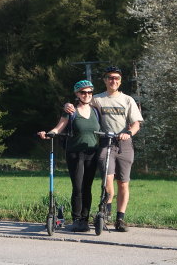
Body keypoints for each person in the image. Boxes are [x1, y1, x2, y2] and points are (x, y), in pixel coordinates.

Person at [65, 66, 143, 232]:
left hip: (124, 143)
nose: (113, 80)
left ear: (120, 81)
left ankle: (120, 219)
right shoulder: (97, 99)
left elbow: (136, 123)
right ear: (105, 80)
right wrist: (68, 106)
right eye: (110, 78)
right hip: (105, 143)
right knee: (107, 179)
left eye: (116, 78)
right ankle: (104, 211)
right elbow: (82, 102)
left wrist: (128, 133)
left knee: (123, 183)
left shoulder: (127, 100)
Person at [38, 80, 100, 232]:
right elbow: (59, 127)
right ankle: (76, 219)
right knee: (78, 187)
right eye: (83, 92)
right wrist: (49, 134)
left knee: (88, 187)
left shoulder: (96, 111)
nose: (87, 95)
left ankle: (85, 219)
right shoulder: (70, 111)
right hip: (75, 153)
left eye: (89, 92)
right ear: (77, 94)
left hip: (92, 153)